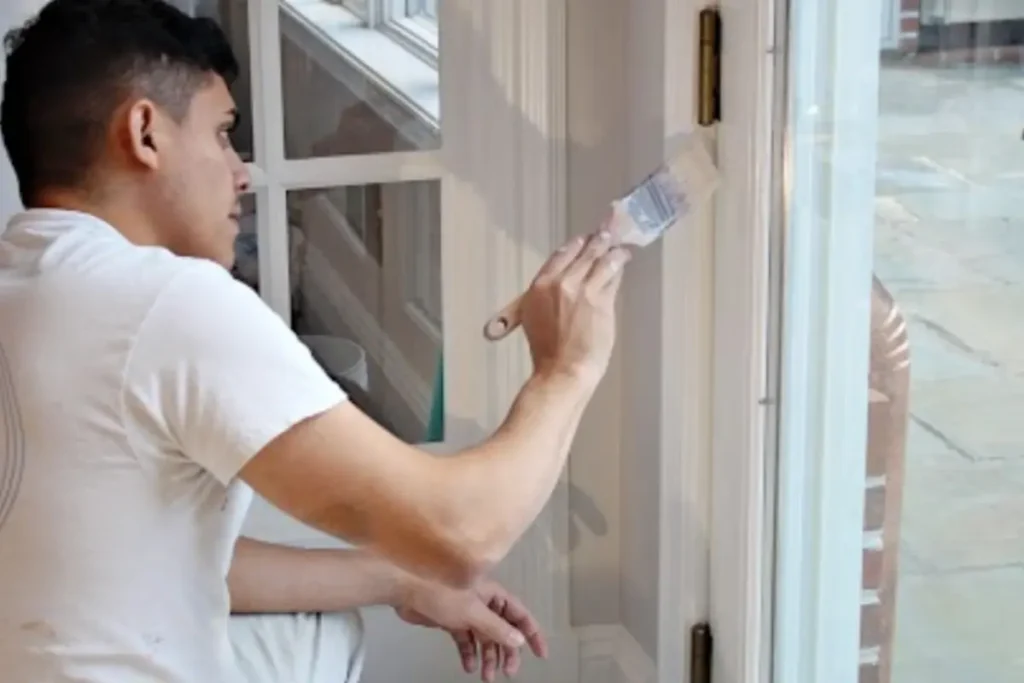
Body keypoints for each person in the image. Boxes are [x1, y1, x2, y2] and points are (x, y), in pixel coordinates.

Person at [0, 1, 631, 682]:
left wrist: (400, 578)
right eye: (222, 135)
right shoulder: (166, 304)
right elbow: (464, 532)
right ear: (146, 132)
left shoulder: (29, 286)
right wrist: (567, 367)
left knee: (316, 633)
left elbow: (155, 556)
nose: (241, 171)